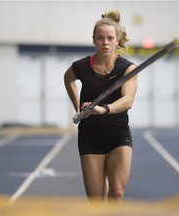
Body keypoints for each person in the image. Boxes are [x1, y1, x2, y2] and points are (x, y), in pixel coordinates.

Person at [64, 10, 137, 203]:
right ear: (94, 40)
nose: (105, 42)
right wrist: (78, 108)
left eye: (110, 38)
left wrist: (103, 109)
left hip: (117, 134)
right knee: (96, 201)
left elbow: (127, 100)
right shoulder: (81, 66)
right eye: (100, 38)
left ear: (117, 40)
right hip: (90, 135)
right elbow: (68, 78)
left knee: (117, 193)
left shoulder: (127, 69)